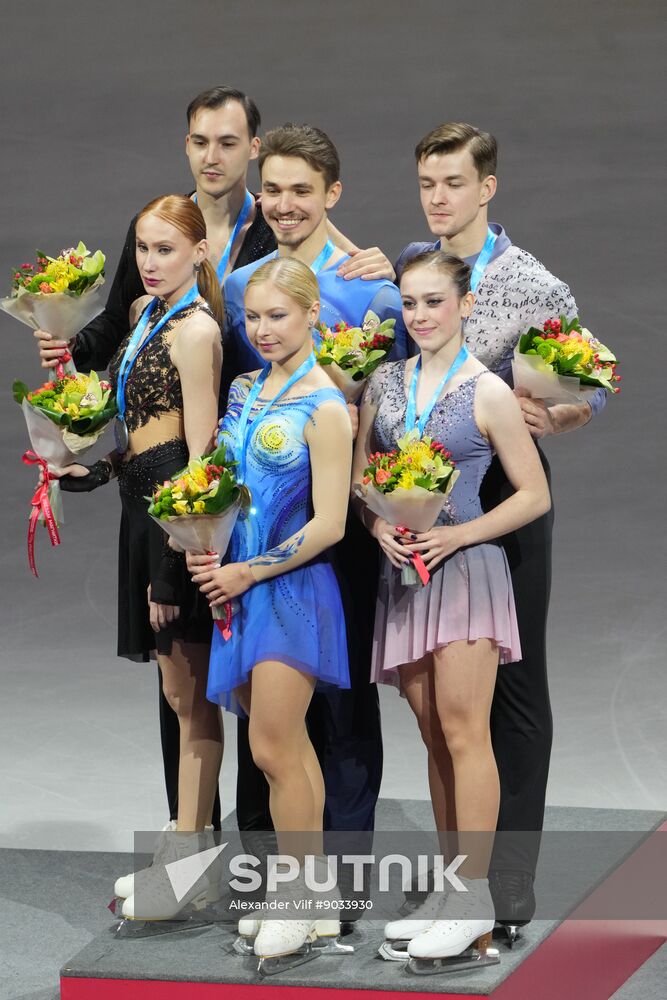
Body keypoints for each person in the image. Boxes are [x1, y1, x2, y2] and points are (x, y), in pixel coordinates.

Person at [33, 87, 389, 836]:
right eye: (201, 141)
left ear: (250, 151)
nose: (213, 155)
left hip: (283, 497)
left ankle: (316, 873)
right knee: (205, 694)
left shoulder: (311, 256)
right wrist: (72, 358)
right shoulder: (181, 243)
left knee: (303, 703)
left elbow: (323, 251)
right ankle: (219, 851)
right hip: (218, 500)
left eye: (228, 142)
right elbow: (118, 327)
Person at [394, 123, 607, 932]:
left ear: (487, 187)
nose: (438, 198)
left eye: (453, 182)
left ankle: (508, 874)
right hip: (421, 502)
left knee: (513, 687)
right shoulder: (418, 269)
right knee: (437, 692)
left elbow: (593, 376)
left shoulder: (533, 283)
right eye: (427, 183)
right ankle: (458, 871)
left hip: (504, 499)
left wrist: (567, 412)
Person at [352, 250, 550, 963]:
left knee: (466, 733)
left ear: (464, 306)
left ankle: (474, 901)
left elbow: (533, 494)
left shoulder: (488, 392)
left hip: (465, 571)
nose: (420, 315)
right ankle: (448, 887)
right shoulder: (383, 383)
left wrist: (457, 534)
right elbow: (359, 483)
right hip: (404, 579)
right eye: (409, 303)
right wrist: (378, 527)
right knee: (434, 734)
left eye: (433, 301)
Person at [223, 123, 407, 841]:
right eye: (271, 189)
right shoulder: (242, 286)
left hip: (341, 521)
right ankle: (265, 862)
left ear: (332, 192)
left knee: (342, 698)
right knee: (261, 703)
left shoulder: (373, 287)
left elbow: (391, 406)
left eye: (301, 190)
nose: (284, 204)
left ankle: (346, 870)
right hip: (261, 527)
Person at [53, 195, 225, 919]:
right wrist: (95, 473)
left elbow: (199, 455)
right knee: (177, 696)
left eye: (164, 249)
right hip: (141, 516)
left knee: (192, 702)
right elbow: (144, 434)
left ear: (198, 253)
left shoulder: (196, 333)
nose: (149, 263)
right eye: (143, 250)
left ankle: (190, 862)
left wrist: (169, 565)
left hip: (174, 531)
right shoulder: (143, 316)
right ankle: (189, 850)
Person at [187, 257, 353, 965]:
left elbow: (330, 524)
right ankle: (310, 900)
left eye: (276, 316)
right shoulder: (245, 389)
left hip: (287, 592)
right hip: (235, 590)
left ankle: (291, 897)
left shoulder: (326, 406)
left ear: (311, 314)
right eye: (252, 317)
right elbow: (221, 483)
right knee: (289, 750)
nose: (261, 330)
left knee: (271, 749)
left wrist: (246, 569)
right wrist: (200, 541)